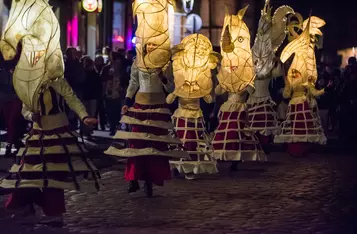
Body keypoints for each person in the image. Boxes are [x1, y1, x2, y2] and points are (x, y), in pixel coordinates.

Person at [1, 78, 99, 226]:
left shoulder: (59, 81)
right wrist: (32, 116)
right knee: (27, 170)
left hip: (58, 130)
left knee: (54, 173)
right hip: (37, 133)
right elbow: (25, 108)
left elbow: (72, 98)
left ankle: (55, 212)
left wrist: (84, 116)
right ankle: (25, 204)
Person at [105, 43, 184, 197]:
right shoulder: (137, 62)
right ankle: (133, 178)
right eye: (149, 44)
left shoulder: (165, 64)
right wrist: (127, 102)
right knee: (136, 143)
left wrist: (162, 77)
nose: (151, 47)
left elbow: (171, 88)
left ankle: (150, 180)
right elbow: (133, 84)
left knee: (155, 145)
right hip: (140, 106)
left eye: (154, 44)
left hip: (157, 108)